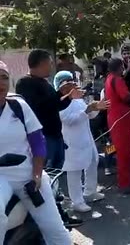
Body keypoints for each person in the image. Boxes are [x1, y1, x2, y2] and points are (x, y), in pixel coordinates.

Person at [0, 61, 72, 245]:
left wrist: (37, 174)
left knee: (55, 229)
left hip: (27, 175)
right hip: (1, 177)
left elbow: (37, 141)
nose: (1, 83)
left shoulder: (18, 106)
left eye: (4, 78)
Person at [16, 49, 84, 169]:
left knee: (57, 175)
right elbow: (39, 108)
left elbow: (56, 105)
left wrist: (69, 96)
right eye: (50, 63)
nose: (52, 66)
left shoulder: (45, 83)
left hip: (56, 137)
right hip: (43, 138)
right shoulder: (25, 83)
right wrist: (61, 93)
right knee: (47, 175)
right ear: (42, 63)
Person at [55, 71, 108, 212]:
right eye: (67, 83)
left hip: (86, 137)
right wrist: (87, 110)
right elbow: (68, 120)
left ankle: (90, 192)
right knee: (74, 170)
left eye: (72, 82)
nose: (72, 85)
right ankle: (77, 201)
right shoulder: (60, 102)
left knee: (92, 162)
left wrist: (96, 107)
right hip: (71, 141)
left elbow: (88, 114)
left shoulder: (77, 99)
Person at [105, 58, 130, 194]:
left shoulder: (109, 78)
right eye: (123, 67)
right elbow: (125, 97)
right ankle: (124, 184)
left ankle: (126, 180)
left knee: (120, 149)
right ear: (119, 67)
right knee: (124, 152)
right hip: (121, 120)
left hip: (116, 118)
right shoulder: (117, 80)